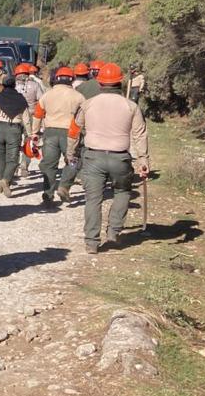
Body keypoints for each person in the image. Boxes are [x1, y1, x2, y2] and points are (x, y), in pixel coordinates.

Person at [67, 63, 149, 254]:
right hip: (120, 159)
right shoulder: (131, 106)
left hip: (93, 157)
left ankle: (92, 242)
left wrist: (71, 153)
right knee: (122, 192)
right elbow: (140, 134)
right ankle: (113, 231)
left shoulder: (87, 104)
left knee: (93, 199)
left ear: (100, 82)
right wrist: (143, 160)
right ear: (121, 82)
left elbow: (74, 131)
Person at [33, 66, 85, 205]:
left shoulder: (47, 95)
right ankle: (64, 186)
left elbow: (38, 115)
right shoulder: (78, 96)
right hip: (70, 133)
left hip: (50, 133)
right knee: (73, 161)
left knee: (49, 165)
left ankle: (48, 194)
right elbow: (83, 116)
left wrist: (35, 133)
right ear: (72, 80)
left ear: (56, 79)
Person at [0, 75, 33, 197]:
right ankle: (5, 180)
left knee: (0, 158)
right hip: (14, 130)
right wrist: (29, 135)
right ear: (14, 85)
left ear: (3, 85)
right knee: (13, 159)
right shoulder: (21, 99)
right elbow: (26, 120)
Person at [16, 63, 44, 177]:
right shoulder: (35, 85)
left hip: (16, 116)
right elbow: (41, 100)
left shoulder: (13, 85)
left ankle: (14, 165)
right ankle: (24, 166)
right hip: (31, 116)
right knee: (29, 142)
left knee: (15, 142)